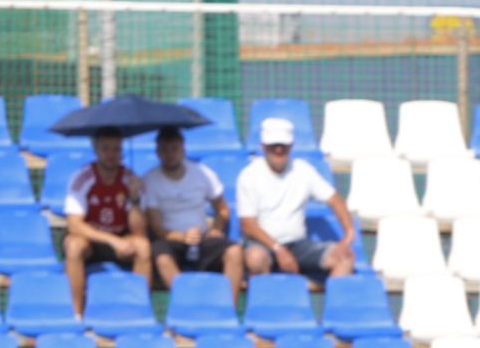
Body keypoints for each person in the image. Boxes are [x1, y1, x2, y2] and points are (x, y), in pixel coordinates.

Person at [236, 117, 356, 280]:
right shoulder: (249, 175)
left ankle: (335, 304)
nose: (278, 150)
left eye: (283, 146)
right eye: (273, 146)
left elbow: (334, 199)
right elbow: (248, 225)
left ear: (291, 146)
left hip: (298, 245)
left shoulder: (304, 170)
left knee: (345, 257)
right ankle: (265, 301)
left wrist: (349, 233)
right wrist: (278, 249)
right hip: (262, 245)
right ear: (263, 147)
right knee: (255, 258)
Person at [140, 127, 243, 295]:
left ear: (183, 150)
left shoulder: (203, 173)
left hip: (202, 238)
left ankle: (228, 307)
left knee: (235, 251)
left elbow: (222, 209)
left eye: (174, 148)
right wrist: (182, 236)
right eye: (165, 150)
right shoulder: (150, 180)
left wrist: (216, 229)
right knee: (161, 256)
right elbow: (156, 226)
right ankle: (185, 303)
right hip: (170, 240)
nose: (170, 154)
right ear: (157, 152)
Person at [62, 129, 152, 317]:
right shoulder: (82, 178)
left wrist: (135, 199)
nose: (111, 155)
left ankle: (139, 313)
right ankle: (76, 315)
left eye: (116, 150)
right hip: (91, 241)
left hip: (121, 239)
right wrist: (111, 240)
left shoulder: (130, 179)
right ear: (96, 150)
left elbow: (139, 231)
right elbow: (74, 225)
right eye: (106, 149)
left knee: (143, 247)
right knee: (74, 245)